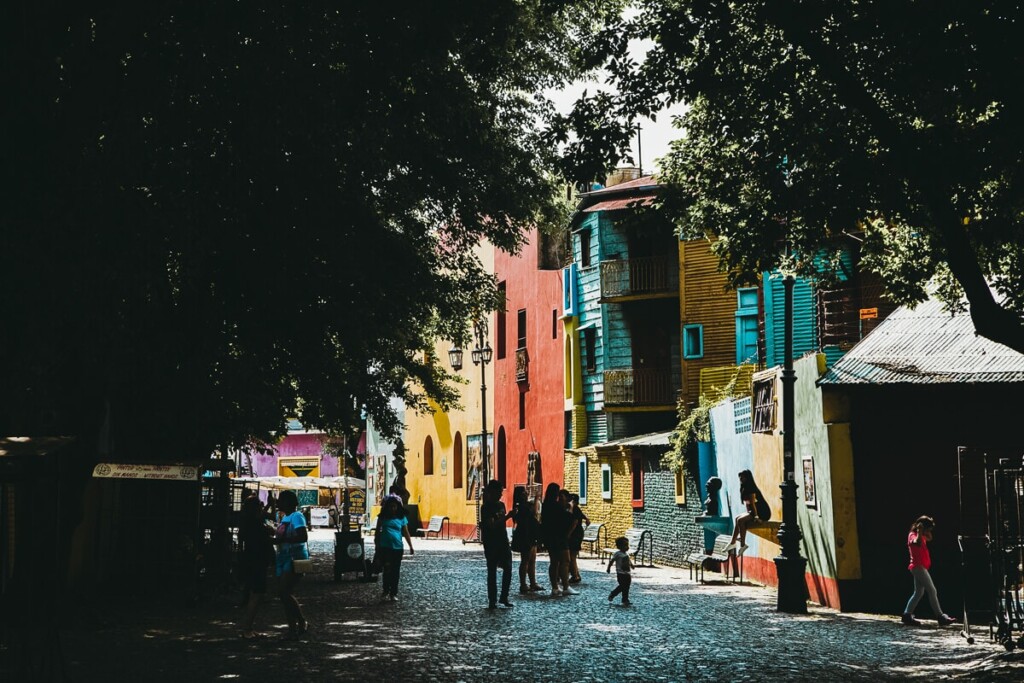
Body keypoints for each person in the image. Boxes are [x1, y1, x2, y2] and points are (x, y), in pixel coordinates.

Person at [901, 515, 956, 626]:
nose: (928, 532)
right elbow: (917, 543)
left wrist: (924, 531)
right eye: (927, 529)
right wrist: (920, 531)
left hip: (921, 567)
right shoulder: (913, 535)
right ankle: (940, 616)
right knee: (932, 590)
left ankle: (907, 615)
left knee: (918, 592)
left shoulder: (921, 535)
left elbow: (930, 538)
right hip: (918, 567)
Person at [238, 494, 275, 639]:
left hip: (251, 559)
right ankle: (246, 627)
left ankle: (249, 627)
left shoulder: (247, 521)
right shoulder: (255, 523)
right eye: (260, 505)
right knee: (257, 594)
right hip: (257, 560)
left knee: (255, 593)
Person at [273, 490, 308, 638]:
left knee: (284, 592)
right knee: (284, 594)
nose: (278, 502)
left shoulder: (297, 516)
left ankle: (301, 621)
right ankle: (292, 628)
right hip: (283, 557)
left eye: (280, 499)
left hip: (294, 557)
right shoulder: (285, 518)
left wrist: (283, 540)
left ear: (288, 502)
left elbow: (303, 536)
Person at [481, 479, 514, 608]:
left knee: (508, 568)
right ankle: (492, 600)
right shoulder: (486, 507)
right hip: (491, 542)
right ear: (492, 492)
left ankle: (504, 597)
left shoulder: (501, 505)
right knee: (492, 571)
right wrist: (507, 517)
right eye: (499, 491)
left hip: (503, 540)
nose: (501, 494)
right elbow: (492, 525)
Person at [375, 495, 414, 602]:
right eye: (391, 506)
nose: (393, 509)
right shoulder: (382, 517)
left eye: (395, 507)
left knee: (395, 571)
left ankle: (393, 593)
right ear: (387, 507)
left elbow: (406, 532)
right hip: (385, 547)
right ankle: (386, 590)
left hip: (398, 548)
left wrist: (410, 546)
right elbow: (377, 532)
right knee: (387, 569)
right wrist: (377, 546)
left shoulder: (402, 518)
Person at [541, 483, 577, 596]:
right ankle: (566, 586)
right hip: (559, 536)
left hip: (549, 536)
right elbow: (567, 519)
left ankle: (555, 588)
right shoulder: (556, 506)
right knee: (565, 561)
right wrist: (570, 508)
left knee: (554, 562)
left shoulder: (545, 505)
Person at [725, 469, 769, 555]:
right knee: (737, 518)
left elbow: (752, 504)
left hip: (762, 512)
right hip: (754, 511)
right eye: (740, 477)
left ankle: (742, 544)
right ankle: (733, 542)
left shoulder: (751, 489)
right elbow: (748, 505)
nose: (741, 479)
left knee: (740, 520)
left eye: (743, 477)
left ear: (747, 478)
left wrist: (756, 518)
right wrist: (748, 514)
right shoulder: (744, 488)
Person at [511, 485, 544, 593]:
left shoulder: (524, 505)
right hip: (525, 535)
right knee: (525, 560)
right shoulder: (520, 507)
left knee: (532, 560)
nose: (526, 493)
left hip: (531, 534)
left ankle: (533, 582)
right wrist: (536, 500)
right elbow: (533, 514)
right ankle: (523, 584)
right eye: (524, 492)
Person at [606, 536, 634, 606]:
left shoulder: (626, 554)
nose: (627, 547)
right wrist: (608, 568)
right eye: (625, 545)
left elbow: (628, 561)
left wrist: (632, 565)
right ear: (619, 546)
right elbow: (612, 561)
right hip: (621, 573)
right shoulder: (617, 554)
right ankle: (613, 594)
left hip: (627, 573)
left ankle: (625, 600)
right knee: (622, 586)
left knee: (627, 587)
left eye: (627, 545)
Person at [568, 493, 590, 583]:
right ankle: (576, 574)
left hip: (575, 534)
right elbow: (583, 516)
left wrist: (568, 534)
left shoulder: (574, 509)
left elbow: (575, 522)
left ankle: (575, 576)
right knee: (572, 556)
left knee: (572, 556)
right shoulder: (576, 509)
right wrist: (587, 519)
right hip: (577, 533)